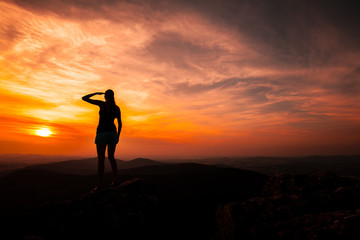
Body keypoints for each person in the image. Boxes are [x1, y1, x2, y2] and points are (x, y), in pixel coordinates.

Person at [82, 90, 122, 191]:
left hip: (102, 133)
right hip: (112, 133)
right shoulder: (117, 108)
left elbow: (84, 98)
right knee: (111, 157)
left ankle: (100, 184)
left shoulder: (102, 104)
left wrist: (95, 93)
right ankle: (116, 179)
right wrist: (118, 136)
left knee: (101, 159)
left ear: (105, 96)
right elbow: (120, 123)